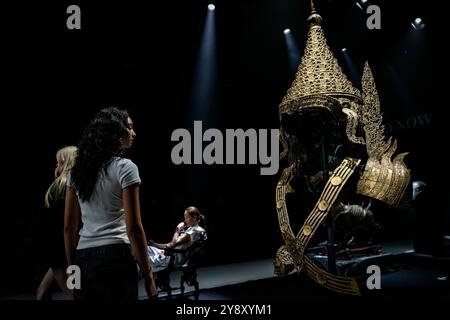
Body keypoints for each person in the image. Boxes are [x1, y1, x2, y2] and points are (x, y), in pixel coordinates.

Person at [64, 107, 157, 300]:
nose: (134, 133)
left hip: (83, 258)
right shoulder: (125, 168)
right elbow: (134, 230)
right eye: (129, 128)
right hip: (115, 257)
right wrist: (149, 277)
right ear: (115, 132)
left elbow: (69, 227)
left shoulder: (76, 172)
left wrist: (73, 274)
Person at [36, 146, 77, 300]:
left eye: (59, 162)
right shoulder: (66, 187)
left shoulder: (58, 187)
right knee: (74, 291)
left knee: (44, 291)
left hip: (57, 251)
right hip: (67, 251)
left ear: (67, 163)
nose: (56, 166)